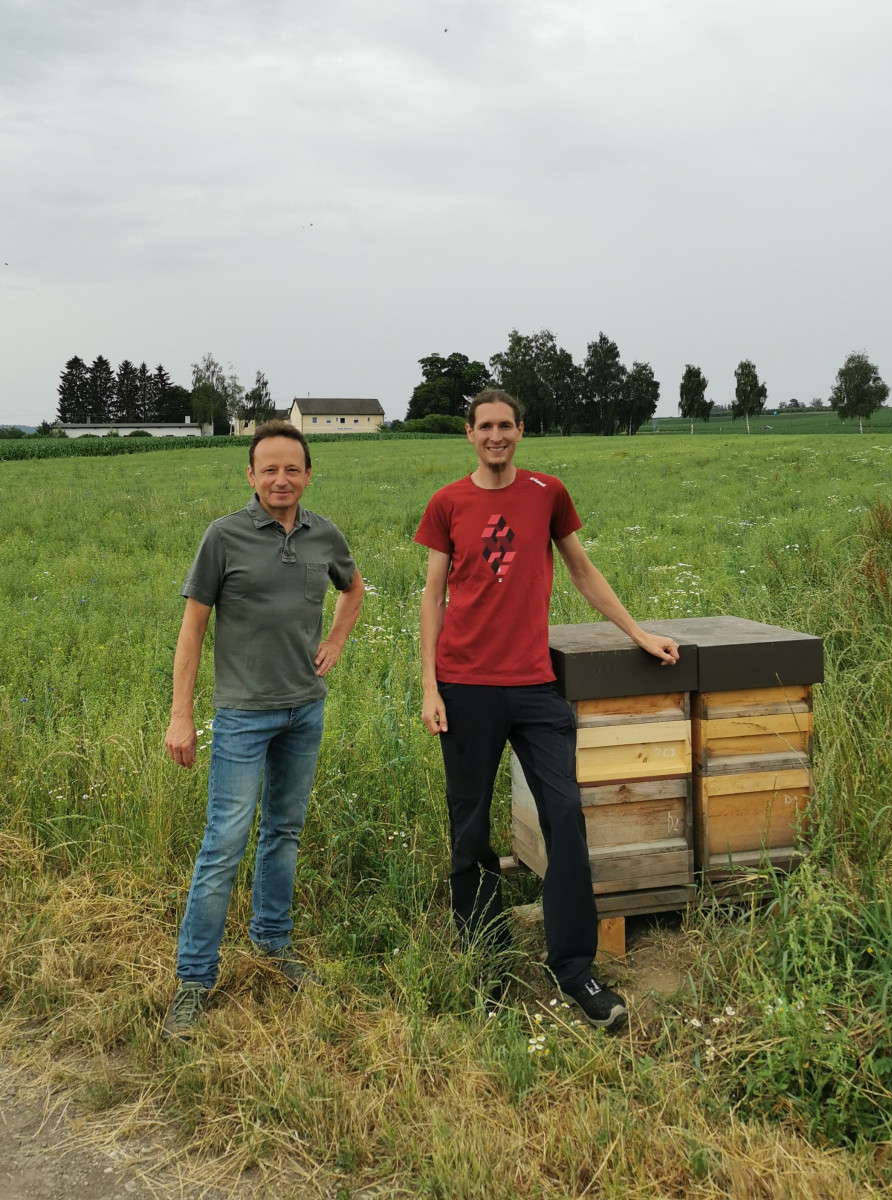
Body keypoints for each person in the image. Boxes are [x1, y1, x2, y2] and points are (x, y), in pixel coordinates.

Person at [415, 389, 679, 1029]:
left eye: (506, 425)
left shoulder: (547, 492)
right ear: (469, 434)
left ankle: (575, 970)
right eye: (485, 426)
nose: (496, 436)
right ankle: (485, 962)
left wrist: (637, 633)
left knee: (565, 814)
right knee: (470, 828)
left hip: (534, 687)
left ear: (521, 431)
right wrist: (429, 685)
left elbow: (583, 572)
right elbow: (432, 596)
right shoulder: (448, 502)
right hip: (466, 687)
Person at [162, 420, 364, 1040]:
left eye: (292, 469)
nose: (281, 478)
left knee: (285, 831)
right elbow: (192, 630)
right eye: (268, 468)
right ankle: (194, 980)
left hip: (305, 709)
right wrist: (182, 715)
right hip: (243, 717)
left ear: (307, 475)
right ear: (250, 476)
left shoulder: (323, 534)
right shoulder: (222, 538)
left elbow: (354, 591)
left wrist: (334, 639)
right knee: (224, 841)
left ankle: (273, 946)